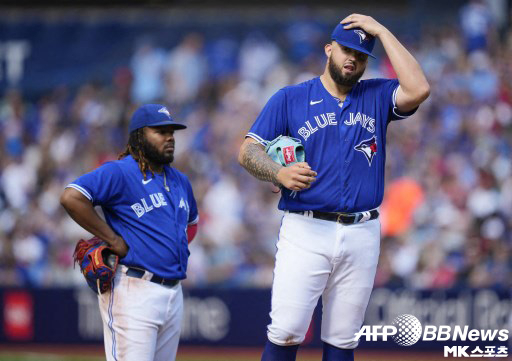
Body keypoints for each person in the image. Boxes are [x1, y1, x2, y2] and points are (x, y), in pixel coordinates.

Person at [238, 14, 430, 361]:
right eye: (345, 49)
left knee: (343, 340)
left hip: (363, 232)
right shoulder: (291, 98)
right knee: (286, 331)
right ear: (329, 49)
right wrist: (277, 174)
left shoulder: (376, 94)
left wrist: (383, 31)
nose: (352, 58)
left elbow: (419, 89)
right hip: (306, 227)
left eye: (361, 54)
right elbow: (247, 150)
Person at [60, 104, 199, 361]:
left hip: (173, 293)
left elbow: (191, 225)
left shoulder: (181, 181)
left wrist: (166, 249)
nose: (169, 137)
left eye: (171, 131)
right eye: (160, 131)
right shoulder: (121, 172)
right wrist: (113, 239)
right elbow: (72, 197)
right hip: (133, 289)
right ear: (138, 136)